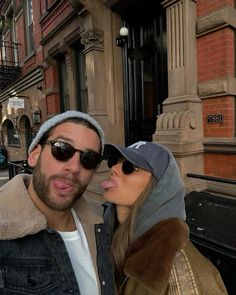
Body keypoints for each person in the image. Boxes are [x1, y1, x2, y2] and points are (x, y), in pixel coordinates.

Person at [0, 110, 115, 295]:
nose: (74, 167)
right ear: (34, 155)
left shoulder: (102, 223)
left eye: (88, 159)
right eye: (62, 149)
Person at [101, 141, 228, 295]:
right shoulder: (108, 234)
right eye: (113, 162)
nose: (113, 169)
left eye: (128, 167)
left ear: (158, 188)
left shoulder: (178, 271)